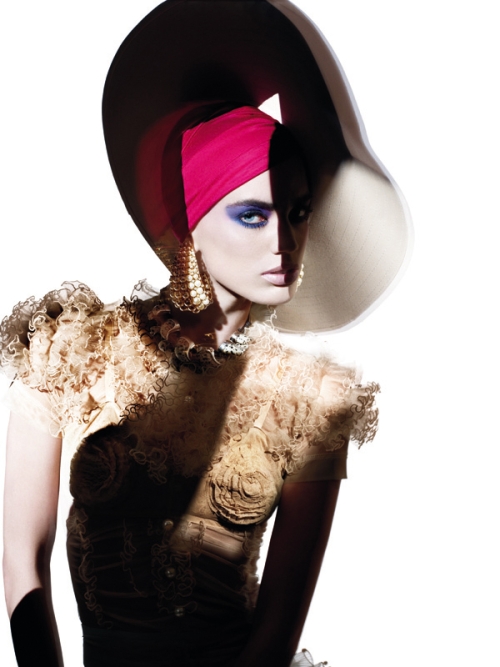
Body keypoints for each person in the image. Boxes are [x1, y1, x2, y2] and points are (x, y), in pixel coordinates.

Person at [1, 2, 411, 666]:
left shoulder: (311, 403)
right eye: (253, 214)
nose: (284, 240)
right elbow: (22, 554)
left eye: (297, 211)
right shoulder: (69, 351)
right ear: (192, 221)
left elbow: (277, 627)